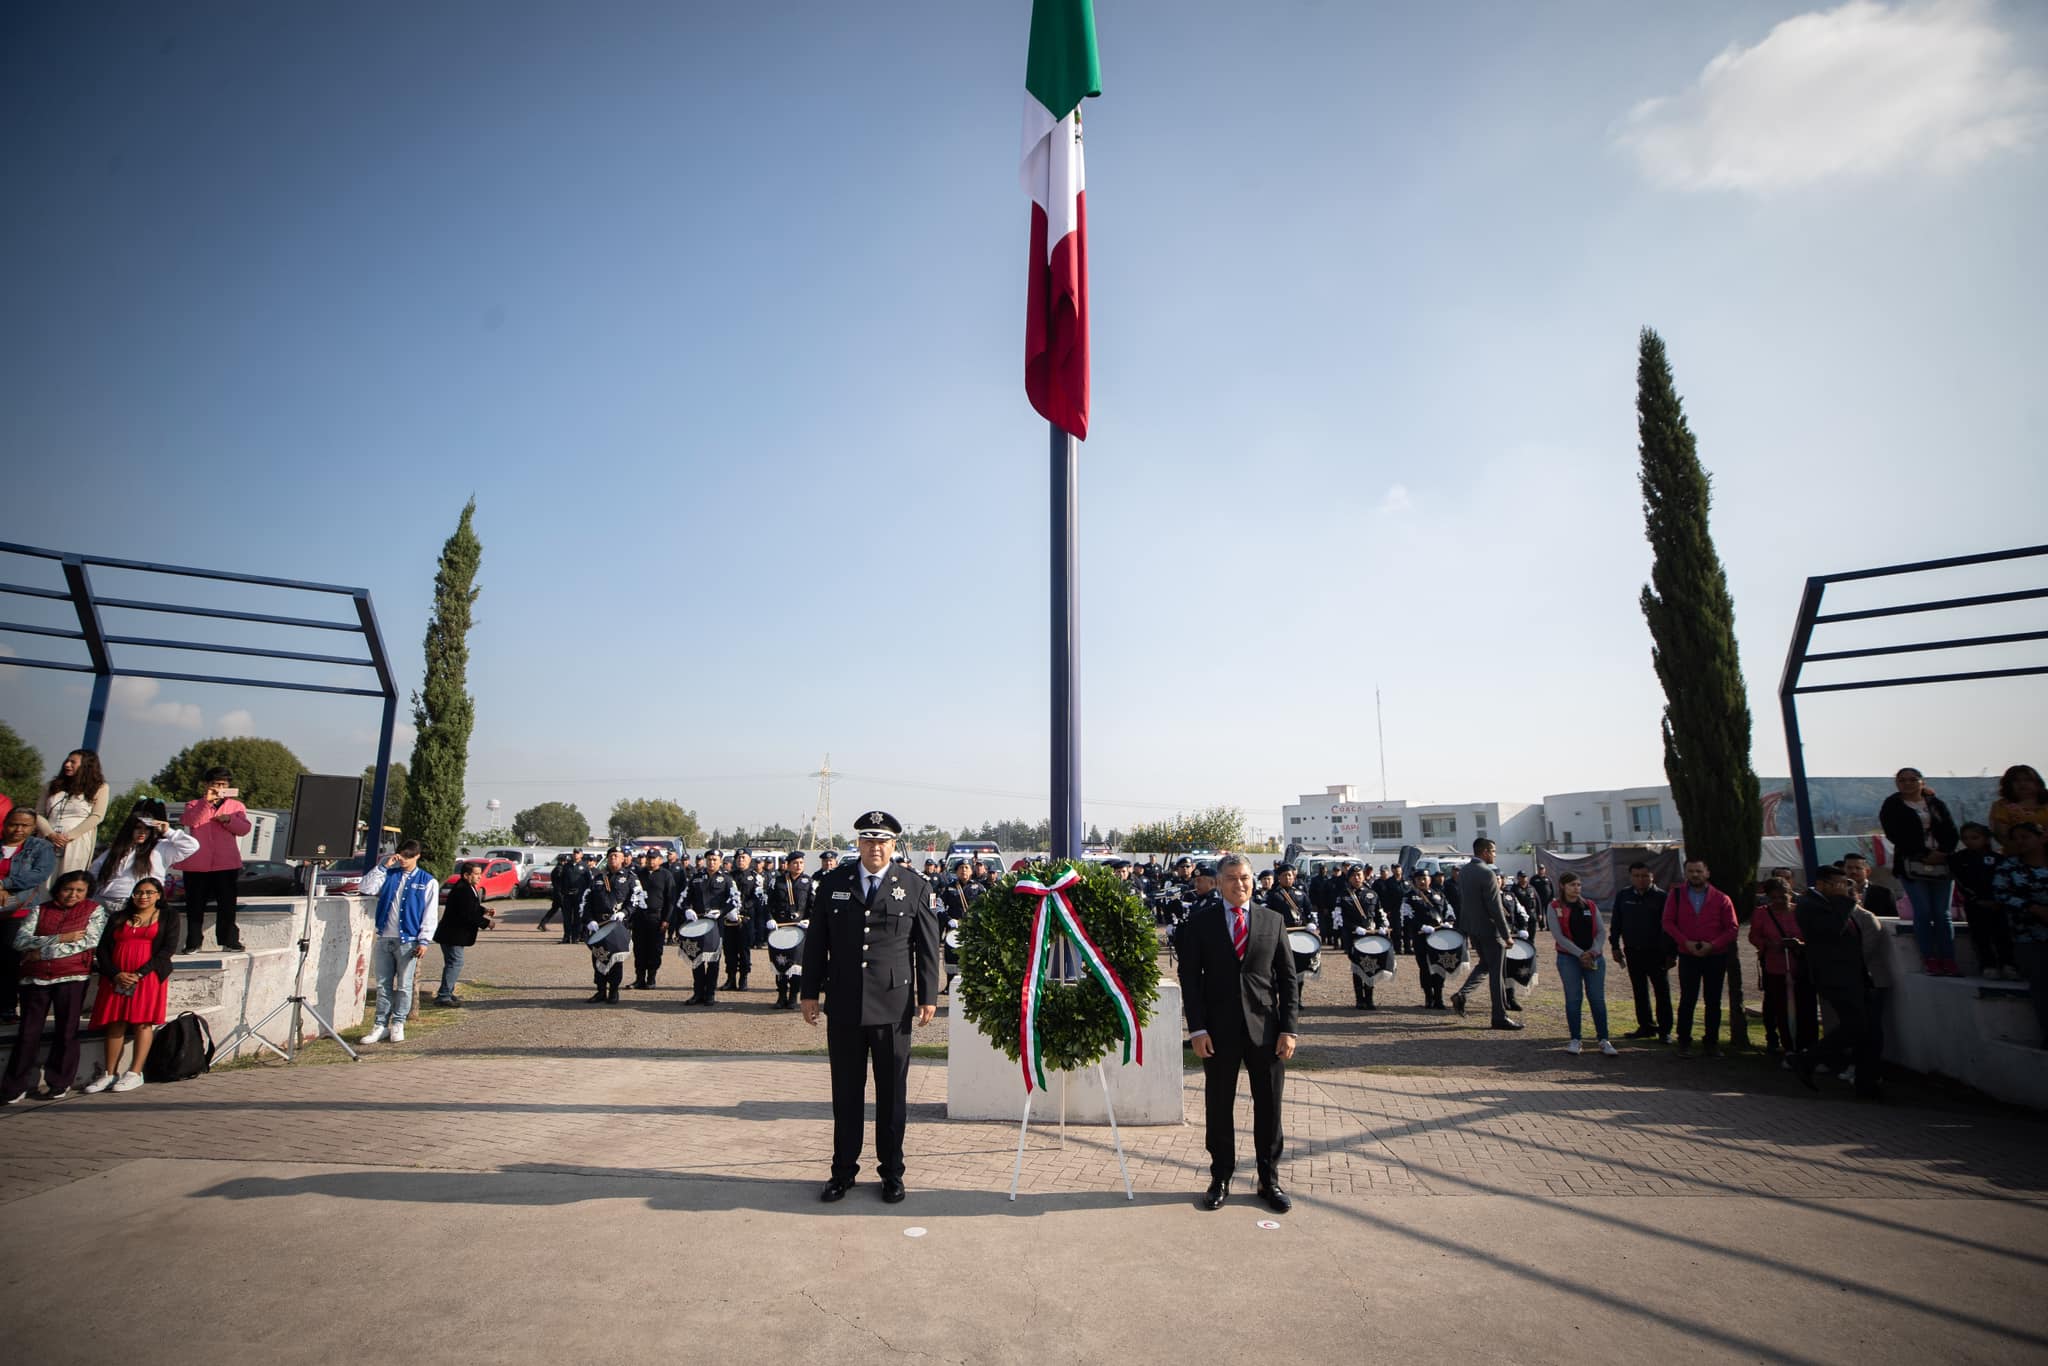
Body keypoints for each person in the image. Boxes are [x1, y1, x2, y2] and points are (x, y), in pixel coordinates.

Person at [799, 811, 940, 1205]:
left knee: (892, 1095)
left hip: (893, 1008)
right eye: (868, 840)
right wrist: (809, 992)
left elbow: (927, 946)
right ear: (858, 844)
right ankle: (842, 1172)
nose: (875, 847)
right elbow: (817, 943)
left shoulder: (913, 885)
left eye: (883, 841)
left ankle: (892, 1173)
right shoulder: (832, 883)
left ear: (894, 845)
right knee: (845, 1094)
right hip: (844, 1004)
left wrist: (928, 995)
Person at [1179, 853, 1299, 1213]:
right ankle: (1221, 1177)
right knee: (1218, 1105)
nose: (1240, 884)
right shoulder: (1200, 924)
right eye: (1231, 878)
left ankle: (1269, 1179)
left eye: (1245, 877)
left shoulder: (1272, 921)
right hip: (1218, 1030)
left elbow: (1288, 979)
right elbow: (1191, 981)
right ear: (1218, 882)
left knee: (1269, 1107)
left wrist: (1289, 1029)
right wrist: (1197, 1029)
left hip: (1266, 1030)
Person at [3, 870, 107, 1103]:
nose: (73, 894)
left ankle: (59, 1082)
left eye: (79, 891)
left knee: (66, 1031)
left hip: (72, 977)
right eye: (68, 889)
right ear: (59, 889)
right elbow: (21, 940)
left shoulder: (94, 910)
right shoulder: (40, 909)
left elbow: (87, 942)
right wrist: (60, 938)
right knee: (28, 1033)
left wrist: (39, 952)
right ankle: (15, 1085)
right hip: (35, 978)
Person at [82, 875, 180, 1093]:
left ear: (158, 895)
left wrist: (139, 973)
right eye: (139, 893)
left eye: (149, 893)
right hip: (117, 977)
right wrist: (116, 973)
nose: (143, 897)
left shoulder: (168, 916)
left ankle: (135, 1072)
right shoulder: (119, 917)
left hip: (148, 976)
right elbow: (103, 949)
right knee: (115, 1022)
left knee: (142, 1023)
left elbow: (166, 950)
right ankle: (109, 1073)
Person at [1791, 865, 1881, 1098]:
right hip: (1834, 977)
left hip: (1855, 976)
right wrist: (1846, 901)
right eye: (1838, 884)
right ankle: (1807, 1059)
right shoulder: (1808, 905)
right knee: (1856, 1026)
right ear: (1821, 884)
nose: (1843, 888)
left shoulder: (1834, 904)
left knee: (1869, 1030)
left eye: (1844, 884)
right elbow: (1831, 931)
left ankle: (1866, 1083)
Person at [357, 841, 440, 1044]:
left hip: (409, 940)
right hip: (385, 936)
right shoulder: (389, 875)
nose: (404, 859)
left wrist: (424, 940)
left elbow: (430, 913)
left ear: (417, 856)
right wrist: (383, 866)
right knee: (383, 984)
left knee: (404, 984)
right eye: (401, 855)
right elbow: (366, 888)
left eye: (409, 856)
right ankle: (379, 1025)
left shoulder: (427, 881)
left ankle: (398, 1023)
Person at [1880, 767, 1961, 976]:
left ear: (1921, 782)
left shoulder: (1936, 804)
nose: (1907, 784)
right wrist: (1923, 852)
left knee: (1942, 914)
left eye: (1912, 780)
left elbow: (1951, 830)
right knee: (1923, 911)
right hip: (1912, 863)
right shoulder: (1893, 805)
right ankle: (1930, 958)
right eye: (1902, 780)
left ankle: (1948, 958)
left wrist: (1943, 852)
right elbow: (1895, 834)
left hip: (1942, 862)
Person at [1662, 858, 1738, 1058]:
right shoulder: (1676, 895)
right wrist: (1684, 942)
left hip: (1714, 955)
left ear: (1707, 873)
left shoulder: (1722, 898)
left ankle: (1711, 1042)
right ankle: (1684, 1041)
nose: (1695, 875)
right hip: (1688, 955)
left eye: (1698, 871)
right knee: (1688, 999)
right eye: (1691, 871)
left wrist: (1713, 945)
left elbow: (1732, 928)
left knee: (1713, 1000)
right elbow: (1668, 922)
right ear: (1685, 873)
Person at [176, 767, 252, 953]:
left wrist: (228, 820)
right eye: (216, 784)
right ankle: (193, 942)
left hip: (226, 863)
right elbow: (190, 821)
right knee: (195, 905)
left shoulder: (236, 807)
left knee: (227, 904)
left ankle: (229, 940)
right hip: (197, 864)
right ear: (207, 785)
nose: (219, 788)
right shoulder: (194, 804)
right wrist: (206, 802)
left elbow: (244, 829)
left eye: (223, 784)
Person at [1450, 839, 1519, 1029]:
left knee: (1485, 965)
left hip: (1473, 928)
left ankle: (1463, 994)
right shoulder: (1487, 873)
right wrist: (1506, 935)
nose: (1495, 855)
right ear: (1485, 852)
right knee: (1496, 974)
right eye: (1493, 851)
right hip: (1490, 930)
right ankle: (1499, 1016)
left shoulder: (1464, 872)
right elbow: (1495, 907)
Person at [1747, 877, 1816, 1059]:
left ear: (1789, 895)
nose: (1778, 902)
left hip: (1800, 967)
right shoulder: (1762, 913)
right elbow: (1754, 936)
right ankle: (1788, 1047)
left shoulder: (1802, 912)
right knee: (1780, 1008)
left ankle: (1808, 1047)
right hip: (1775, 967)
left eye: (1782, 897)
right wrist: (1769, 944)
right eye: (1774, 898)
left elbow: (1815, 937)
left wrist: (1799, 944)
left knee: (1806, 1008)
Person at [1, 806, 59, 1024]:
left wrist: (4, 884)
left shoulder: (41, 847)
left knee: (9, 960)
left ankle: (7, 1008)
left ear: (34, 828)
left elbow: (37, 875)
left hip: (18, 911)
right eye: (13, 824)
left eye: (24, 825)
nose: (18, 829)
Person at [1993, 822, 2048, 1047]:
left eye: (2026, 837)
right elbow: (2001, 893)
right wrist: (2034, 909)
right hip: (2029, 936)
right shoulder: (2009, 867)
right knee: (2043, 986)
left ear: (2042, 837)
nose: (2021, 842)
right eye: (2017, 838)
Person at [1547, 873, 1615, 1055]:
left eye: (1578, 885)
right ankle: (1575, 1039)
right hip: (1568, 958)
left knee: (1597, 999)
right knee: (1573, 999)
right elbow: (1559, 936)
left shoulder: (1590, 905)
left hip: (1594, 957)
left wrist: (1593, 952)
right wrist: (1579, 954)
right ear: (1562, 886)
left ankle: (1604, 1039)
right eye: (1572, 885)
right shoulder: (1554, 906)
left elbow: (1601, 931)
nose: (1576, 888)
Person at [91, 800, 198, 914]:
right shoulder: (115, 849)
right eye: (138, 827)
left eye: (147, 828)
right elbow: (94, 873)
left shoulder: (161, 847)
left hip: (139, 904)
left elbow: (192, 846)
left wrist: (168, 831)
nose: (142, 832)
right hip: (104, 902)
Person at [1609, 861, 1672, 1042]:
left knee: (1662, 992)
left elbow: (1669, 928)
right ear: (1630, 877)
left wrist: (1671, 954)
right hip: (1633, 952)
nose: (1641, 879)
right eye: (1636, 876)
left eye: (1645, 875)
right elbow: (1616, 923)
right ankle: (1646, 1027)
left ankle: (1665, 1030)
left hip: (1657, 954)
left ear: (1652, 877)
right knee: (1640, 991)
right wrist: (1615, 946)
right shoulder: (1623, 896)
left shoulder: (1662, 897)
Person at [1953, 823, 2018, 981]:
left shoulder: (1999, 859)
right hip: (1975, 904)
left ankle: (2008, 965)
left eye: (1975, 838)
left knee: (2002, 934)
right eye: (1965, 838)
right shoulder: (1959, 859)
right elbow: (1961, 882)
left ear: (1986, 838)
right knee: (1980, 935)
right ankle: (1988, 965)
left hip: (1998, 904)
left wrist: (1998, 899)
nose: (1970, 842)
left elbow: (2005, 881)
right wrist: (1976, 899)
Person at [37, 749, 110, 880]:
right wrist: (50, 834)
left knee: (69, 880)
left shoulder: (100, 787)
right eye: (67, 761)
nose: (67, 765)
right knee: (43, 880)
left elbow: (97, 816)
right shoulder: (51, 786)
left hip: (76, 841)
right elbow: (38, 814)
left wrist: (68, 836)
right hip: (48, 839)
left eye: (73, 762)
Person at [432, 860, 495, 1007]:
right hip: (452, 935)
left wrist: (484, 910)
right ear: (466, 875)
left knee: (453, 963)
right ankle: (444, 996)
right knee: (455, 963)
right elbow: (467, 914)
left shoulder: (469, 888)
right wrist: (486, 923)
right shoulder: (462, 889)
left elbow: (472, 907)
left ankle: (448, 992)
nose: (479, 877)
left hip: (454, 935)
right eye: (476, 874)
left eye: (480, 874)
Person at [682, 850, 738, 1005]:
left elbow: (735, 900)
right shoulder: (695, 878)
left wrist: (721, 911)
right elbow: (683, 898)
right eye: (709, 859)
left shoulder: (727, 879)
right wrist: (687, 909)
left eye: (715, 859)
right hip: (697, 922)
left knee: (713, 960)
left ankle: (710, 994)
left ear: (720, 861)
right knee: (697, 958)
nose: (711, 862)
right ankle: (698, 993)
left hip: (716, 924)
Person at [1336, 865, 1388, 1009]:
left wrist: (1383, 926)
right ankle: (1360, 999)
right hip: (1355, 936)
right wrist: (1354, 928)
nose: (1357, 878)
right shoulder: (1343, 895)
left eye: (1359, 875)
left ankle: (1370, 998)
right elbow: (1340, 918)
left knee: (1371, 965)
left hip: (1371, 935)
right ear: (1349, 878)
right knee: (1358, 967)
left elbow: (1379, 913)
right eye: (1354, 875)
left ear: (1364, 876)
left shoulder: (1372, 894)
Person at [768, 851, 814, 1009]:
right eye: (795, 863)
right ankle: (781, 996)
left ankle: (793, 996)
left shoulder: (809, 882)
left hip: (800, 929)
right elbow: (767, 903)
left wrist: (810, 919)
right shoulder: (777, 881)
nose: (798, 865)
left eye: (801, 862)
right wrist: (769, 918)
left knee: (796, 964)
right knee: (780, 962)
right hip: (780, 928)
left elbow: (814, 905)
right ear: (788, 865)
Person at [1404, 869, 1451, 1008]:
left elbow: (1448, 911)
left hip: (1439, 936)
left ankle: (1439, 997)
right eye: (1419, 879)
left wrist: (1449, 921)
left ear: (1430, 879)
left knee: (1440, 965)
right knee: (1425, 967)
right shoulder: (1409, 897)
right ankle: (1428, 997)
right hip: (1421, 937)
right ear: (1415, 881)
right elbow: (1406, 916)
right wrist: (1421, 927)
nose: (1422, 881)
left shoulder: (1439, 895)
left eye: (1424, 878)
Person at [629, 848, 673, 990]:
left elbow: (671, 900)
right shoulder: (638, 874)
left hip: (657, 918)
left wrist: (667, 919)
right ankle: (639, 978)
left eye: (654, 858)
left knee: (655, 950)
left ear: (660, 860)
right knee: (639, 949)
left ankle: (651, 978)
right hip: (640, 917)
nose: (651, 861)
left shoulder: (666, 875)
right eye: (649, 858)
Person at [1990, 765, 2048, 854]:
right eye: (2016, 781)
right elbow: (2001, 835)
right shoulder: (2001, 806)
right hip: (2016, 857)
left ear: (2038, 783)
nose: (2022, 784)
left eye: (2028, 780)